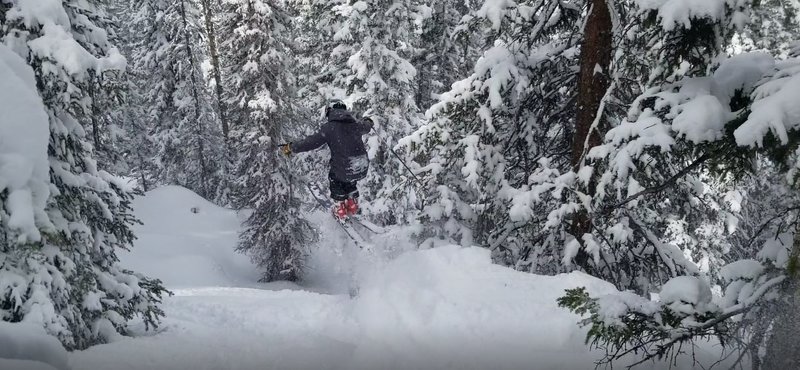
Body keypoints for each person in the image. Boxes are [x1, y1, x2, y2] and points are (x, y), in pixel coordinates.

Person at [280, 100, 374, 219]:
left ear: (329, 111)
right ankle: (352, 204)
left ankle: (340, 209)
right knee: (349, 179)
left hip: (346, 167)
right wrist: (368, 121)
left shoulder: (330, 128)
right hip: (361, 166)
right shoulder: (355, 124)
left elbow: (310, 143)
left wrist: (291, 147)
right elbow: (367, 126)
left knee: (335, 178)